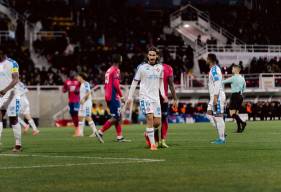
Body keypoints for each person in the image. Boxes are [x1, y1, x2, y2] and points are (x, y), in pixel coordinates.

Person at [127, 47, 168, 151]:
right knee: (150, 117)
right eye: (150, 55)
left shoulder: (160, 68)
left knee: (158, 123)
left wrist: (163, 95)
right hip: (145, 97)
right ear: (147, 56)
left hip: (156, 98)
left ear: (157, 56)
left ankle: (147, 133)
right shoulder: (142, 68)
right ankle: (153, 145)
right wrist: (129, 97)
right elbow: (134, 82)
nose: (152, 57)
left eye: (154, 55)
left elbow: (161, 83)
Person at [97, 54, 130, 142]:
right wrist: (122, 96)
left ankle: (119, 137)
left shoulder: (109, 70)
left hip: (108, 95)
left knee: (118, 116)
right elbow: (116, 85)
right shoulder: (116, 70)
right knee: (116, 117)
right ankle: (100, 131)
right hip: (113, 95)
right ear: (119, 60)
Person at [0, 49, 22, 152]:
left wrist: (5, 90)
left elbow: (16, 79)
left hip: (12, 94)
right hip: (1, 95)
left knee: (13, 119)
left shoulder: (13, 63)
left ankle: (18, 144)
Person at [154, 63, 178, 148]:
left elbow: (171, 84)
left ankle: (163, 141)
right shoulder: (149, 68)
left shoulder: (168, 68)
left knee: (164, 118)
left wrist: (175, 99)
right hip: (153, 98)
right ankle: (156, 141)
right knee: (155, 120)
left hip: (164, 98)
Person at [75, 73, 103, 143]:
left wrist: (84, 99)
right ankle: (80, 133)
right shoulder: (81, 84)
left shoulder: (86, 83)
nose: (77, 78)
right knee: (80, 117)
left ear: (81, 77)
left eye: (78, 76)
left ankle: (95, 132)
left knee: (88, 117)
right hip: (82, 103)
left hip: (87, 103)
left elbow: (88, 92)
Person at [206, 53, 226, 144]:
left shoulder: (214, 69)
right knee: (209, 115)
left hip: (217, 96)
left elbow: (217, 82)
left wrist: (215, 97)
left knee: (218, 117)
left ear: (210, 60)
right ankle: (222, 132)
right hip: (214, 96)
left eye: (207, 58)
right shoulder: (213, 69)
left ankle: (221, 138)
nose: (206, 60)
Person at [222, 64, 247, 133]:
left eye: (233, 69)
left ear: (236, 70)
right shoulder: (242, 78)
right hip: (240, 96)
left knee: (232, 113)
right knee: (236, 113)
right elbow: (244, 88)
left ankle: (243, 123)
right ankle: (239, 128)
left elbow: (223, 82)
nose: (232, 70)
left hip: (235, 95)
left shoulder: (233, 77)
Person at [63, 71, 80, 136]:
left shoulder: (78, 82)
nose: (72, 75)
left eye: (73, 74)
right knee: (72, 114)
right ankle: (76, 129)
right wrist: (66, 89)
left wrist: (78, 90)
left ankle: (79, 130)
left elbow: (83, 88)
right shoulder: (67, 82)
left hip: (77, 101)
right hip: (70, 101)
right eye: (71, 74)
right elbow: (63, 90)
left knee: (77, 114)